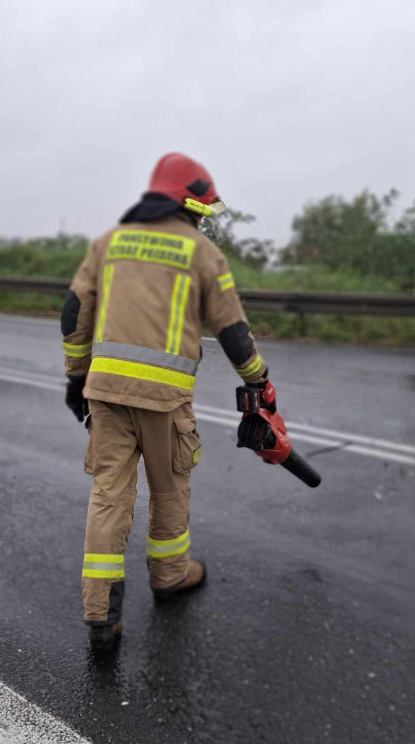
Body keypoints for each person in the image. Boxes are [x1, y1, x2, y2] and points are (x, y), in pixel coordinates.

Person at [61, 152, 272, 642]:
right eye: (201, 211)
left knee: (109, 496)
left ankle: (101, 613)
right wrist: (257, 379)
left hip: (107, 394)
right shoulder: (201, 253)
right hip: (165, 399)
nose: (203, 220)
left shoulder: (108, 244)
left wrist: (77, 377)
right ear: (188, 205)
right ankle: (169, 577)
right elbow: (233, 330)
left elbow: (74, 313)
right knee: (169, 490)